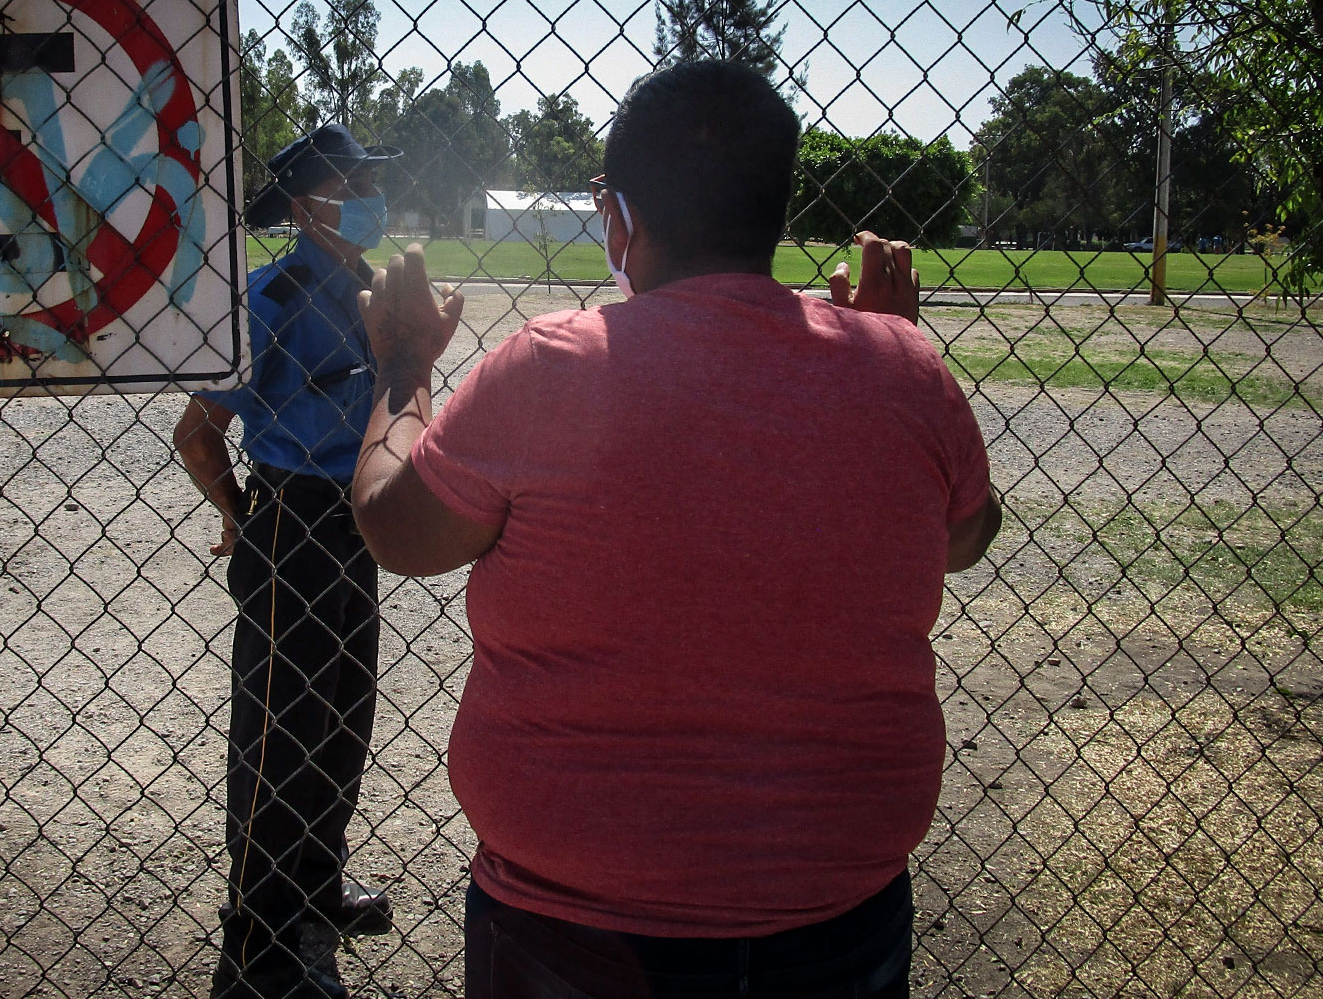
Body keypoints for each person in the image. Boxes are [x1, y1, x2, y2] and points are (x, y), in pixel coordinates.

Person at [350, 60, 1002, 998]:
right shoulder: (905, 369)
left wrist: (402, 362)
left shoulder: (553, 366)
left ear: (618, 217)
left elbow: (396, 530)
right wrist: (889, 353)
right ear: (776, 207)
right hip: (837, 918)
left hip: (572, 923)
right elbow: (961, 536)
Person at [173, 124, 402, 999]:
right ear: (305, 205)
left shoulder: (372, 292)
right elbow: (198, 435)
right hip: (291, 526)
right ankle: (257, 945)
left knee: (343, 720)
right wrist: (242, 517)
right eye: (350, 183)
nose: (367, 198)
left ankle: (315, 886)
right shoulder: (266, 299)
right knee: (277, 737)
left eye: (369, 180)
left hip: (354, 527)